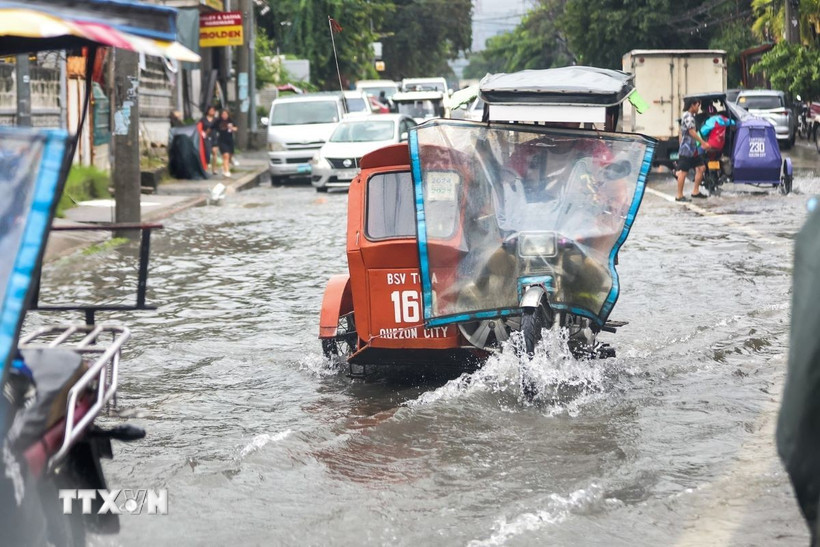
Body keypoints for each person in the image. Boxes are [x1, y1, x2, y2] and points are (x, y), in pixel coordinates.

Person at [675, 97, 711, 202]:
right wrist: (703, 143)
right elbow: (691, 132)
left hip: (693, 149)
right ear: (692, 105)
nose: (698, 108)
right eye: (697, 105)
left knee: (701, 167)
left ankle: (695, 191)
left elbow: (681, 132)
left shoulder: (690, 116)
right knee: (683, 172)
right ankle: (679, 195)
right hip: (687, 150)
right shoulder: (688, 117)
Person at [216, 108, 236, 177]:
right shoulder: (218, 121)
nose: (224, 115)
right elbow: (212, 127)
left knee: (229, 156)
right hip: (221, 140)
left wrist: (232, 128)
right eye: (223, 114)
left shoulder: (230, 120)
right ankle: (226, 171)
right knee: (225, 155)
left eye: (225, 114)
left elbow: (236, 128)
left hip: (230, 140)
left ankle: (224, 166)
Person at [200, 105, 219, 175]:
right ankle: (206, 166)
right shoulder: (203, 119)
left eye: (213, 110)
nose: (212, 112)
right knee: (207, 152)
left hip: (214, 136)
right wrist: (202, 133)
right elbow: (199, 127)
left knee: (214, 152)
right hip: (206, 137)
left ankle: (214, 168)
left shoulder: (216, 119)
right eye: (210, 110)